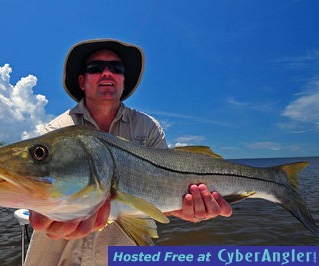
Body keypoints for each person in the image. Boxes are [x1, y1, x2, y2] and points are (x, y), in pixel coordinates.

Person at [24, 39, 232, 265]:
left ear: (123, 81)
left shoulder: (148, 127)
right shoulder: (58, 130)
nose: (106, 73)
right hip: (61, 257)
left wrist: (183, 208)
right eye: (95, 68)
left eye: (116, 68)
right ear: (82, 81)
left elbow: (159, 194)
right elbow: (36, 192)